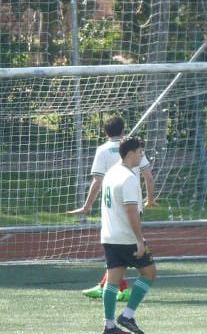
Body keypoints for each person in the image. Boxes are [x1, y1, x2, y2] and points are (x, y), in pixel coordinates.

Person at [67, 116, 156, 300]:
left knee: (118, 247)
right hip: (132, 203)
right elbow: (148, 175)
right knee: (129, 248)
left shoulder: (103, 150)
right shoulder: (133, 149)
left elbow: (97, 181)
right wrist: (150, 199)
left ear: (105, 131)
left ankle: (115, 290)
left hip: (111, 207)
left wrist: (86, 206)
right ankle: (112, 288)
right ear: (123, 129)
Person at [99, 135, 157, 334]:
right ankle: (127, 315)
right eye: (140, 152)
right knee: (149, 273)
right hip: (126, 237)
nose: (142, 156)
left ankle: (109, 325)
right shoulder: (129, 178)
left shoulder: (111, 173)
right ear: (131, 153)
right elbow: (131, 211)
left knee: (113, 280)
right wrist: (139, 240)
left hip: (109, 235)